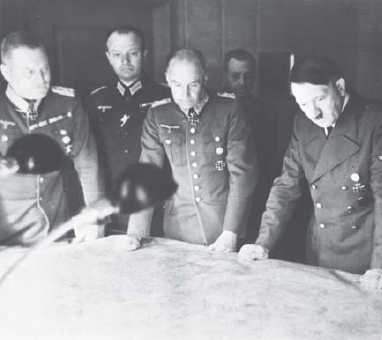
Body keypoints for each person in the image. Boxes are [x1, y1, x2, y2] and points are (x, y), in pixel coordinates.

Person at [239, 55, 382, 289]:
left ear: (339, 87)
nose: (314, 113)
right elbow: (286, 185)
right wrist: (263, 242)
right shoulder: (302, 123)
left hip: (366, 255)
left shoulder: (377, 120)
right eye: (302, 104)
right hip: (320, 247)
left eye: (319, 99)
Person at [127, 49, 258, 252]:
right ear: (167, 79)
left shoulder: (229, 109)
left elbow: (242, 174)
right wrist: (135, 232)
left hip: (222, 228)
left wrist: (231, 231)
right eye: (176, 85)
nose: (184, 94)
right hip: (178, 228)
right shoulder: (158, 114)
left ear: (205, 77)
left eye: (193, 85)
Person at [0, 31, 103, 245]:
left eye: (45, 69)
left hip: (57, 231)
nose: (41, 79)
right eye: (29, 72)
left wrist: (95, 217)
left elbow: (88, 165)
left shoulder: (67, 105)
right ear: (6, 73)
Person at [85, 26, 171, 235]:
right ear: (108, 57)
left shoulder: (165, 97)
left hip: (156, 207)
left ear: (144, 54)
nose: (125, 61)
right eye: (117, 55)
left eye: (132, 53)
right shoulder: (95, 100)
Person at [222, 49, 279, 244]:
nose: (242, 83)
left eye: (248, 77)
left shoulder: (267, 112)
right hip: (221, 202)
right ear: (224, 75)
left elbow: (271, 164)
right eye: (235, 76)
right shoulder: (214, 109)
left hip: (256, 200)